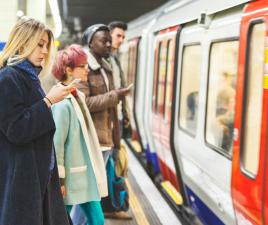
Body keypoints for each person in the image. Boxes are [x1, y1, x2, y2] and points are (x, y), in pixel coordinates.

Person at [0, 17, 74, 225]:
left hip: (37, 174)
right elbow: (16, 128)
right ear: (23, 43)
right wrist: (49, 101)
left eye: (46, 45)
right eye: (40, 44)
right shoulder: (8, 78)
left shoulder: (29, 77)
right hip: (21, 179)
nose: (44, 51)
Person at [79, 24, 131, 220]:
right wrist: (115, 95)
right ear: (91, 42)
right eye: (104, 41)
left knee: (95, 192)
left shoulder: (106, 67)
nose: (109, 45)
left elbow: (111, 107)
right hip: (94, 141)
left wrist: (117, 142)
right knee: (88, 194)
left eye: (110, 41)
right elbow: (85, 102)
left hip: (107, 139)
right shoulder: (86, 69)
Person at [51, 44, 108, 225]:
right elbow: (57, 143)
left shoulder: (77, 96)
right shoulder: (62, 104)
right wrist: (59, 179)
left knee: (96, 219)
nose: (87, 69)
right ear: (68, 70)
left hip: (84, 173)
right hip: (71, 177)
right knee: (63, 218)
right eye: (82, 66)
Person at [108, 21, 132, 141]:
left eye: (123, 37)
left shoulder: (115, 59)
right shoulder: (104, 59)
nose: (121, 40)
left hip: (118, 116)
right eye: (118, 36)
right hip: (110, 119)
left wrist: (125, 113)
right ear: (109, 35)